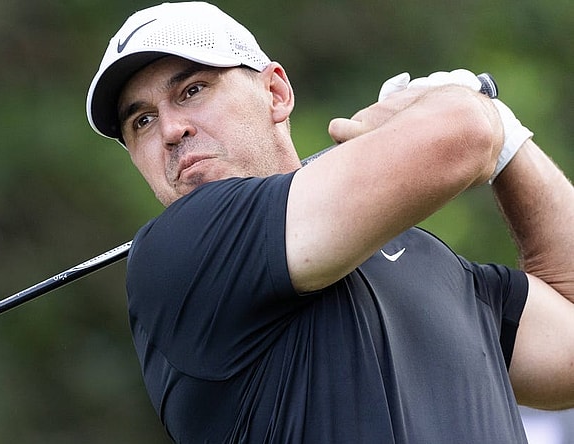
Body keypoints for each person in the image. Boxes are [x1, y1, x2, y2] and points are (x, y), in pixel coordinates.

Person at [85, 2, 574, 442]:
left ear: (275, 91)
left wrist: (509, 140)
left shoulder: (430, 260)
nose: (171, 129)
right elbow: (463, 135)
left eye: (192, 90)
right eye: (142, 121)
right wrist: (464, 109)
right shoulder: (179, 253)